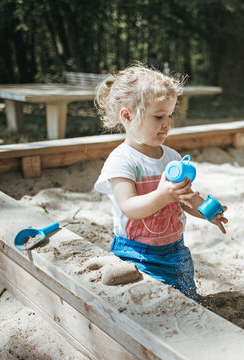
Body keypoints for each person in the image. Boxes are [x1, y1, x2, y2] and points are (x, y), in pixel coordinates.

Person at [94, 64, 228, 302]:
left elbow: (185, 199)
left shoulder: (172, 158)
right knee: (144, 304)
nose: (167, 123)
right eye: (158, 116)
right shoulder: (122, 161)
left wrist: (208, 211)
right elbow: (129, 207)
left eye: (169, 115)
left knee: (186, 300)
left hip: (175, 249)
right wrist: (162, 195)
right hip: (135, 253)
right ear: (127, 116)